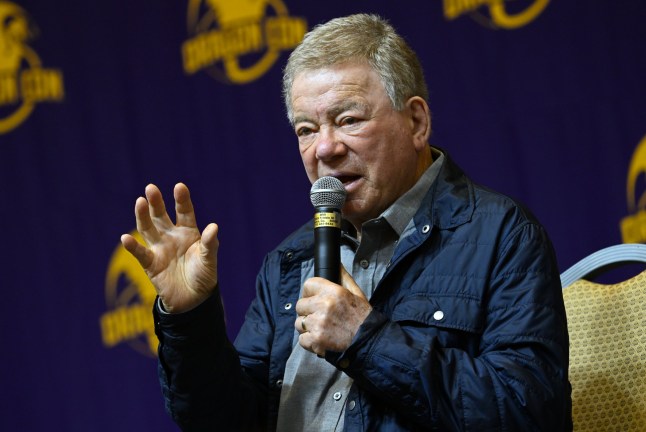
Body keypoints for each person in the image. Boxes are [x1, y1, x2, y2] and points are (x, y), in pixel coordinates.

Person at [121, 13, 572, 431]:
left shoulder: (500, 234)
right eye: (306, 129)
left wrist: (365, 338)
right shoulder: (288, 261)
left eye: (348, 119)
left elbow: (530, 412)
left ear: (416, 122)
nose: (324, 149)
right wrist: (190, 319)